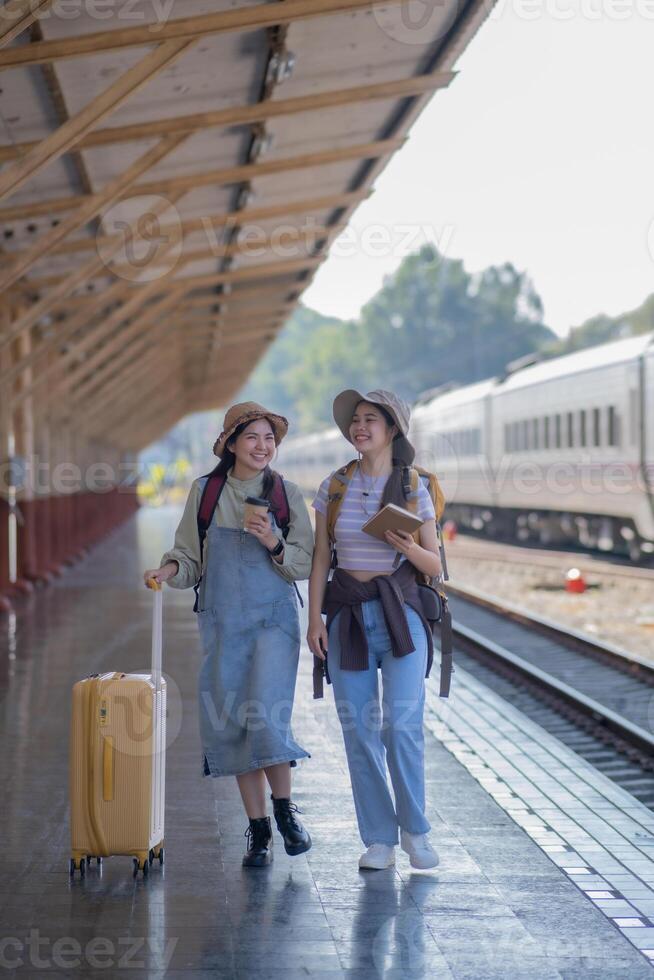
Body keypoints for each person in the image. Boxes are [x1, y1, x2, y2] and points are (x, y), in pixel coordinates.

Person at [144, 402, 314, 868]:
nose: (263, 446)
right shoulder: (206, 492)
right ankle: (258, 829)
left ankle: (285, 812)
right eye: (253, 437)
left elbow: (302, 563)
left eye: (270, 439)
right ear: (232, 444)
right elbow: (189, 557)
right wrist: (168, 569)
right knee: (236, 720)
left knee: (267, 714)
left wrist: (271, 540)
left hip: (274, 622)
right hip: (223, 621)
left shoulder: (286, 494)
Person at [307, 389, 442, 871]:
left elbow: (435, 566)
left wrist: (406, 546)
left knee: (401, 726)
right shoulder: (334, 486)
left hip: (401, 616)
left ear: (392, 430)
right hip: (347, 620)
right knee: (359, 731)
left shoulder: (412, 487)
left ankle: (416, 832)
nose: (359, 427)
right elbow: (323, 556)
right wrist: (314, 622)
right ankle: (379, 839)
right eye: (355, 420)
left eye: (371, 420)